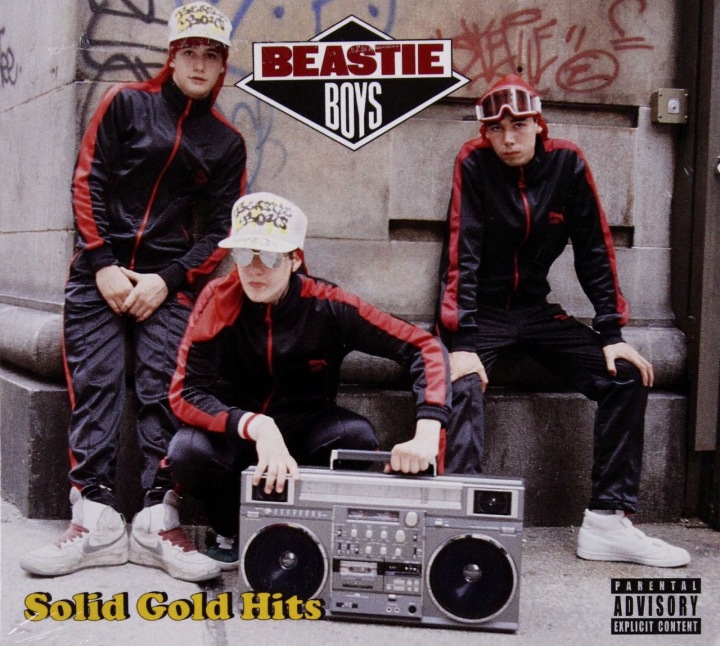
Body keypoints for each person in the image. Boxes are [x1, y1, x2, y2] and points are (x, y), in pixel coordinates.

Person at [20, 2, 246, 582]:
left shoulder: (226, 141)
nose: (199, 64)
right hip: (100, 271)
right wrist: (102, 264)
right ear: (171, 57)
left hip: (167, 281)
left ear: (223, 65)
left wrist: (168, 280)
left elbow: (224, 228)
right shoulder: (126, 103)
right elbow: (87, 179)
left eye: (211, 55)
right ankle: (93, 522)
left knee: (164, 391)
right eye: (189, 52)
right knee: (95, 385)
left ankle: (155, 524)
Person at [437, 74, 690, 567]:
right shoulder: (473, 162)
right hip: (479, 315)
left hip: (535, 311)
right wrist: (461, 341)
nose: (508, 139)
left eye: (519, 125)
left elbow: (594, 248)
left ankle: (607, 523)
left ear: (539, 124)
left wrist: (611, 333)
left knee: (625, 375)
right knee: (458, 381)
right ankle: (462, 523)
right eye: (496, 129)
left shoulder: (568, 164)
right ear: (485, 133)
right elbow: (460, 252)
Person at [167, 191, 451, 569]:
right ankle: (229, 530)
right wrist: (256, 425)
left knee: (356, 437)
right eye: (244, 254)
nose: (254, 269)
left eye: (270, 256)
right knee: (187, 450)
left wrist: (428, 430)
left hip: (305, 432)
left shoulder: (327, 304)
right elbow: (185, 393)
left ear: (295, 259)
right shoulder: (218, 298)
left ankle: (305, 528)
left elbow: (423, 346)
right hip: (238, 434)